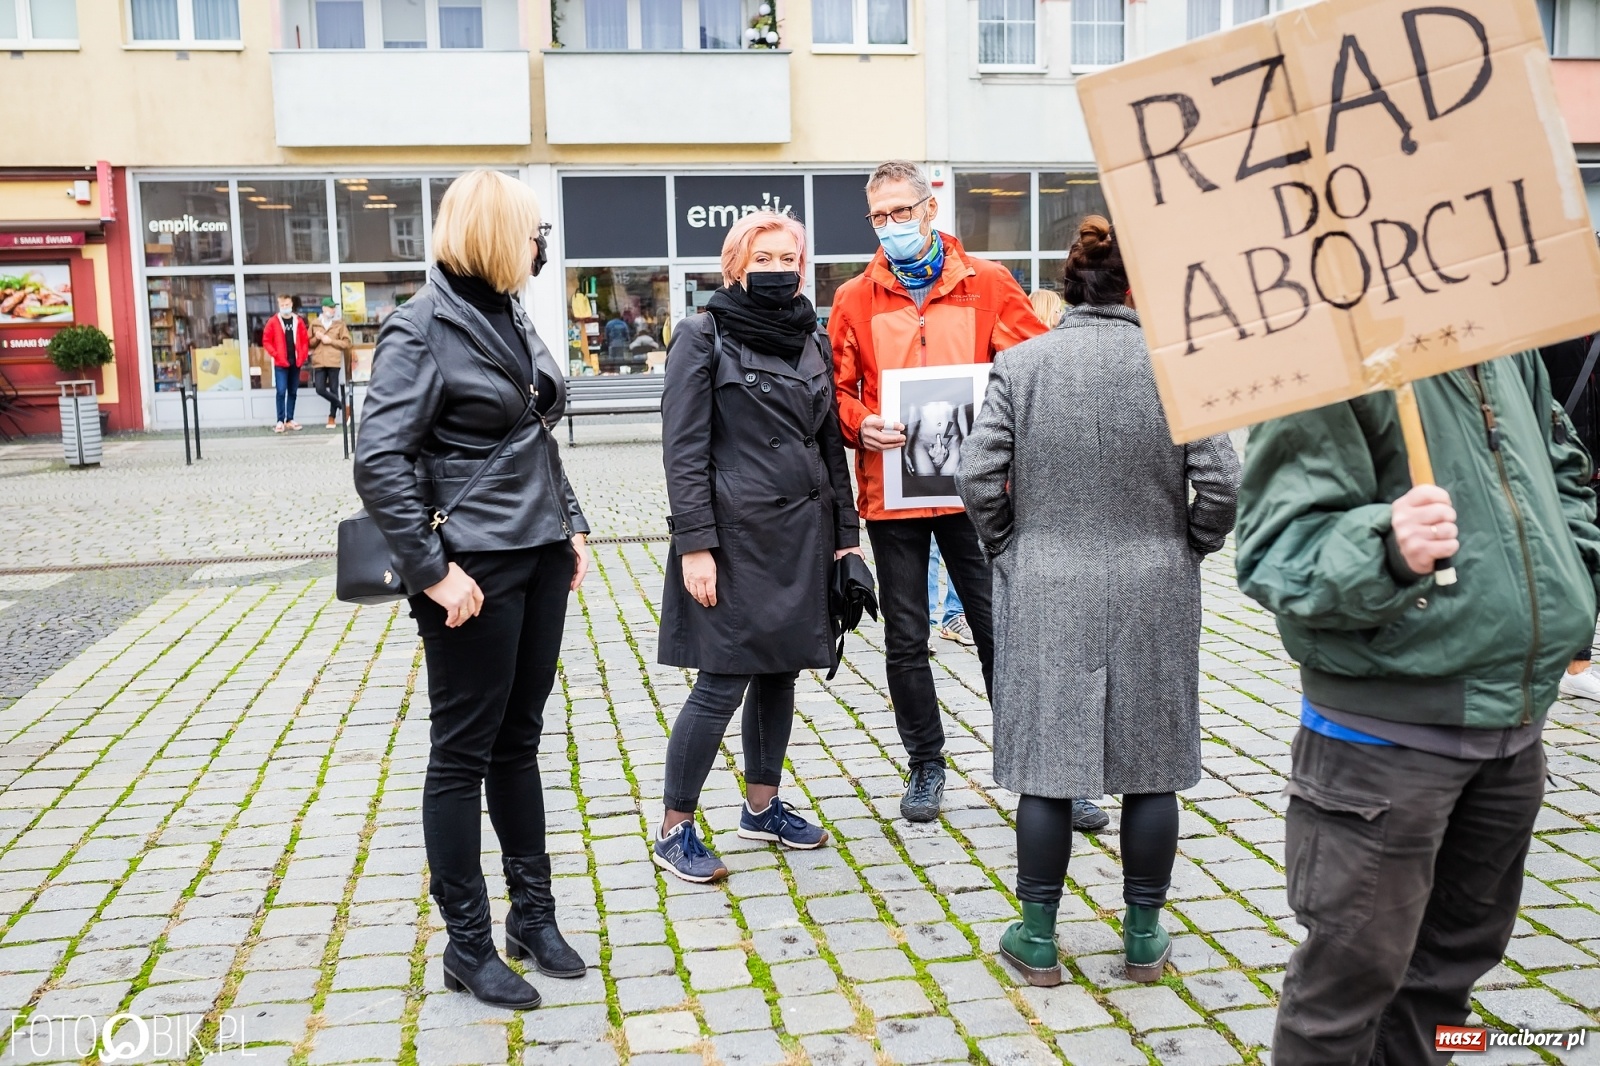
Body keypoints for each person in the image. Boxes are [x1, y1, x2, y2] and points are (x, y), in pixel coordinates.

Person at [1236, 339, 1600, 1057]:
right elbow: (1275, 548)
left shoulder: (1501, 347)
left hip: (1513, 732)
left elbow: (1566, 478)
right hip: (1383, 744)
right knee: (1345, 988)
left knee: (1448, 980)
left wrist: (1575, 579)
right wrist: (1388, 547)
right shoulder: (1327, 361)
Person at [958, 217, 1239, 987]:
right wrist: (1187, 544)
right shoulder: (1175, 369)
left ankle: (1039, 938)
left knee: (1048, 766)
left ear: (1070, 285)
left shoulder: (1021, 364)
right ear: (1138, 287)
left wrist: (1012, 543)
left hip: (1047, 579)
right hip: (1155, 582)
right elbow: (1223, 484)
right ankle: (1144, 936)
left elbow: (978, 478)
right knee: (1153, 765)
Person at [353, 170, 592, 1011]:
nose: (541, 248)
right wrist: (432, 570)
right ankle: (466, 944)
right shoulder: (419, 327)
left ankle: (535, 915)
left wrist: (571, 522)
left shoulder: (508, 310)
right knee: (461, 754)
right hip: (471, 570)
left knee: (519, 739)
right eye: (534, 234)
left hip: (535, 552)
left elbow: (532, 432)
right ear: (498, 235)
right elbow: (378, 460)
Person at [829, 160, 1048, 824]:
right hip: (892, 494)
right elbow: (836, 391)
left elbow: (1033, 366)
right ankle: (926, 764)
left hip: (977, 491)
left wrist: (998, 427)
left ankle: (1038, 768)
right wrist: (859, 424)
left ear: (930, 208)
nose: (892, 226)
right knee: (906, 637)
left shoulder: (988, 284)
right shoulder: (854, 298)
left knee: (997, 630)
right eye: (880, 216)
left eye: (903, 211)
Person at [654, 211, 862, 882]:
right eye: (764, 257)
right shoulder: (701, 335)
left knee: (781, 673)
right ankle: (675, 828)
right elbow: (683, 451)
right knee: (721, 682)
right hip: (735, 538)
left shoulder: (811, 339)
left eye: (789, 257)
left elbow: (829, 448)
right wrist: (695, 545)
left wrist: (846, 543)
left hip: (805, 534)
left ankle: (761, 808)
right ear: (736, 265)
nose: (778, 268)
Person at [262, 294, 307, 433]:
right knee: (281, 391)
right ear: (279, 305)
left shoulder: (298, 321)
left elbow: (305, 340)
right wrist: (275, 355)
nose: (285, 307)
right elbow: (266, 341)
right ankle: (280, 420)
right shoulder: (273, 321)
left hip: (295, 361)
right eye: (282, 305)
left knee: (293, 391)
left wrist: (302, 356)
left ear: (291, 304)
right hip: (281, 363)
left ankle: (290, 419)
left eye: (287, 305)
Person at [309, 297, 352, 429]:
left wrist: (330, 341)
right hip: (319, 360)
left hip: (333, 361)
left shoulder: (339, 324)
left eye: (334, 308)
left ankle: (332, 417)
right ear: (323, 308)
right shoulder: (315, 323)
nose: (333, 310)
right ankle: (344, 408)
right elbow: (308, 343)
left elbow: (347, 343)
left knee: (334, 389)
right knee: (320, 389)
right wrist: (316, 338)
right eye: (330, 307)